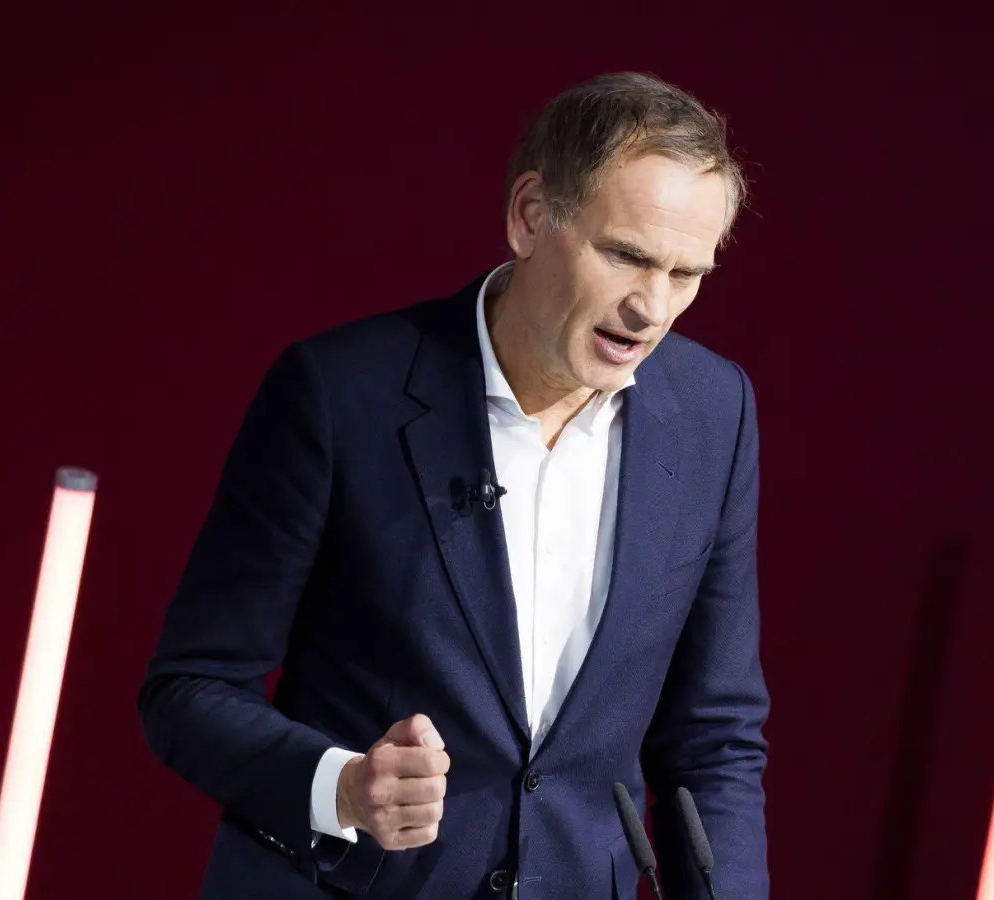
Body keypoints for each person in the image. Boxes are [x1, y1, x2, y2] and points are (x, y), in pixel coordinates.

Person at [138, 71, 769, 899]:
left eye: (687, 275)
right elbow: (189, 690)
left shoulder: (715, 412)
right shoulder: (338, 395)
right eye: (626, 256)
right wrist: (342, 785)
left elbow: (714, 738)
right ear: (532, 216)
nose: (653, 307)